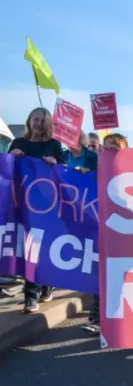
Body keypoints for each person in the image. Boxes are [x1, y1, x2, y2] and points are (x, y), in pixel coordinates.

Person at [8, 107, 65, 313]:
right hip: (22, 203)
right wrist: (11, 156)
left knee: (43, 248)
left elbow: (64, 171)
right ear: (29, 120)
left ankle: (46, 285)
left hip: (46, 205)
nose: (38, 123)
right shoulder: (18, 143)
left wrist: (55, 163)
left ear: (48, 124)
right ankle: (30, 297)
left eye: (42, 120)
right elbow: (5, 168)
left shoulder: (53, 145)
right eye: (35, 118)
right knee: (29, 248)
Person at [81, 133, 129, 336]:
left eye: (115, 147)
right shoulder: (96, 172)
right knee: (99, 277)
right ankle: (97, 318)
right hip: (100, 234)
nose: (109, 150)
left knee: (118, 280)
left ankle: (115, 318)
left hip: (123, 236)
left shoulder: (130, 174)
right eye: (106, 146)